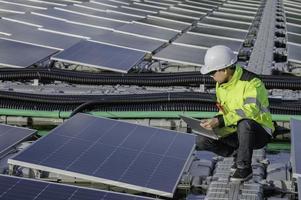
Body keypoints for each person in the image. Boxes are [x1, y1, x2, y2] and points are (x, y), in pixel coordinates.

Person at [197, 45, 274, 181]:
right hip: (235, 129)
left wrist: (221, 121)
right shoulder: (221, 85)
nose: (211, 76)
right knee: (203, 139)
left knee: (245, 124)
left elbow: (250, 111)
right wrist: (214, 121)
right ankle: (238, 154)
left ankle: (244, 168)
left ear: (224, 70)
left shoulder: (252, 82)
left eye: (213, 72)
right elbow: (225, 112)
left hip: (258, 131)